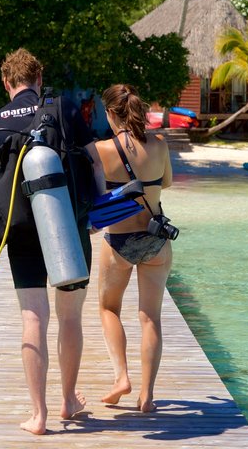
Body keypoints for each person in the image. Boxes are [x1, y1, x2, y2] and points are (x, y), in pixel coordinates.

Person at [0, 48, 92, 435]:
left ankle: (38, 415)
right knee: (70, 316)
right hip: (67, 222)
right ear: (39, 79)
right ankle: (69, 400)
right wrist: (94, 212)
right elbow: (92, 160)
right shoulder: (64, 109)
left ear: (7, 83)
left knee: (33, 317)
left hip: (21, 229)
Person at [87, 84, 174, 414]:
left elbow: (92, 196)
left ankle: (121, 377)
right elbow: (166, 184)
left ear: (110, 113)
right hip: (156, 240)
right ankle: (147, 397)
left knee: (108, 308)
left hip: (120, 242)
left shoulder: (101, 150)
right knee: (150, 317)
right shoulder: (161, 145)